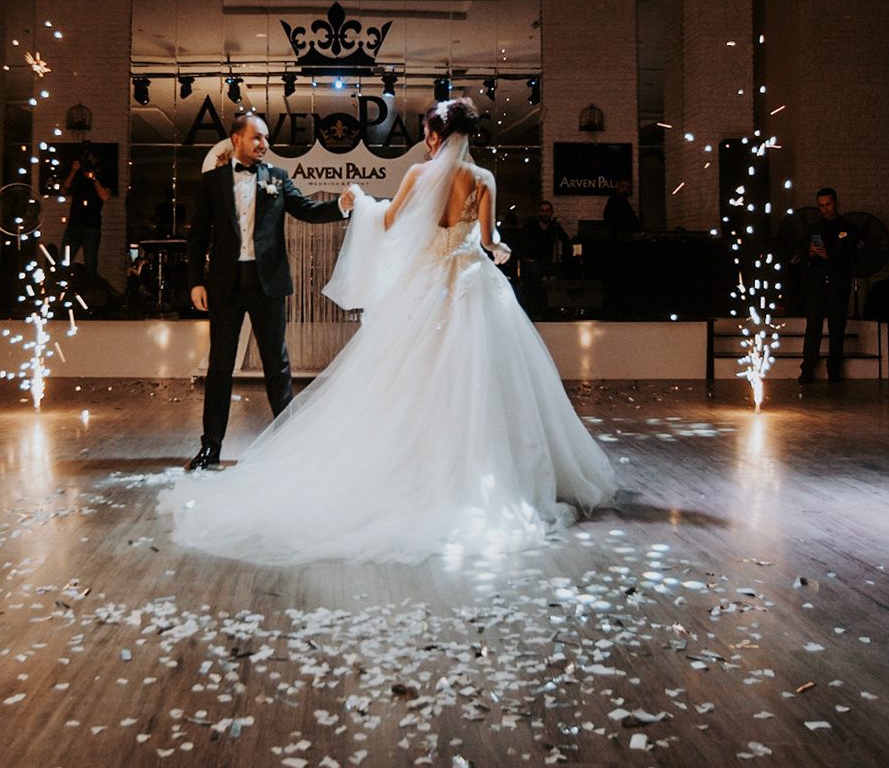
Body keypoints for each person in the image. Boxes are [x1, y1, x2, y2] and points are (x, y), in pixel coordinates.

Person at [161, 99, 616, 564]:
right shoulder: (483, 179)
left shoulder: (413, 175)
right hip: (469, 283)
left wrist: (357, 207)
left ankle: (340, 452)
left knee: (398, 371)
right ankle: (484, 467)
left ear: (435, 136)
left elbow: (386, 220)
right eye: (256, 137)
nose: (263, 144)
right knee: (480, 371)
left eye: (427, 134)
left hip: (417, 284)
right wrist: (498, 248)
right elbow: (487, 239)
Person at [182, 113, 355, 471]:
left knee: (277, 366)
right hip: (225, 286)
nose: (264, 144)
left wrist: (340, 207)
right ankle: (210, 448)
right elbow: (197, 235)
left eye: (265, 138)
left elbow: (306, 210)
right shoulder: (213, 181)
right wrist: (196, 281)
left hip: (268, 285)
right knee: (220, 368)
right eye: (256, 138)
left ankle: (288, 447)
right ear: (236, 140)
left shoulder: (278, 177)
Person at [795, 188, 856, 382]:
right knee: (813, 327)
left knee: (836, 328)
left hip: (838, 285)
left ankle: (834, 370)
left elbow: (851, 256)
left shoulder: (848, 228)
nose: (825, 209)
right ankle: (808, 368)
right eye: (821, 206)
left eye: (828, 204)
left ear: (836, 203)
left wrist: (829, 255)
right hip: (817, 285)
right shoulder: (813, 229)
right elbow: (801, 254)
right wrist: (811, 254)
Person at [509, 199, 571, 314]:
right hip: (531, 262)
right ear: (538, 212)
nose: (545, 213)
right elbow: (519, 243)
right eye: (542, 210)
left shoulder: (554, 227)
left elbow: (566, 242)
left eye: (547, 211)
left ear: (551, 213)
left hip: (547, 262)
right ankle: (535, 309)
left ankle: (551, 308)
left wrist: (564, 258)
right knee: (533, 275)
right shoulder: (530, 226)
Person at [61, 151, 112, 270]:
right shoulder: (78, 175)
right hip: (74, 224)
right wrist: (74, 170)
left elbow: (105, 196)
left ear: (96, 160)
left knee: (90, 264)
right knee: (64, 260)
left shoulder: (102, 176)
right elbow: (63, 190)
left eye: (90, 159)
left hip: (91, 225)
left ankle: (90, 281)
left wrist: (93, 178)